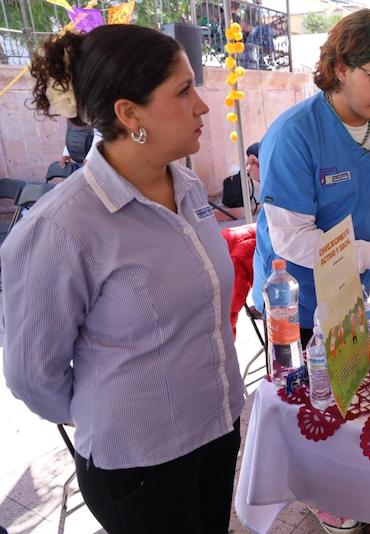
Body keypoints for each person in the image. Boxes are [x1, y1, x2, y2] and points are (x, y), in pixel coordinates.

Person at [3, 25, 245, 532]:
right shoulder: (65, 226)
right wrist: (115, 408)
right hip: (140, 463)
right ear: (129, 114)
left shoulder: (185, 186)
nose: (202, 106)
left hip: (216, 429)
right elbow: (33, 376)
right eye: (183, 91)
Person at [253, 9, 370, 341]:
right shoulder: (294, 135)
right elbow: (292, 239)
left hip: (353, 299)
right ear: (340, 69)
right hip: (297, 308)